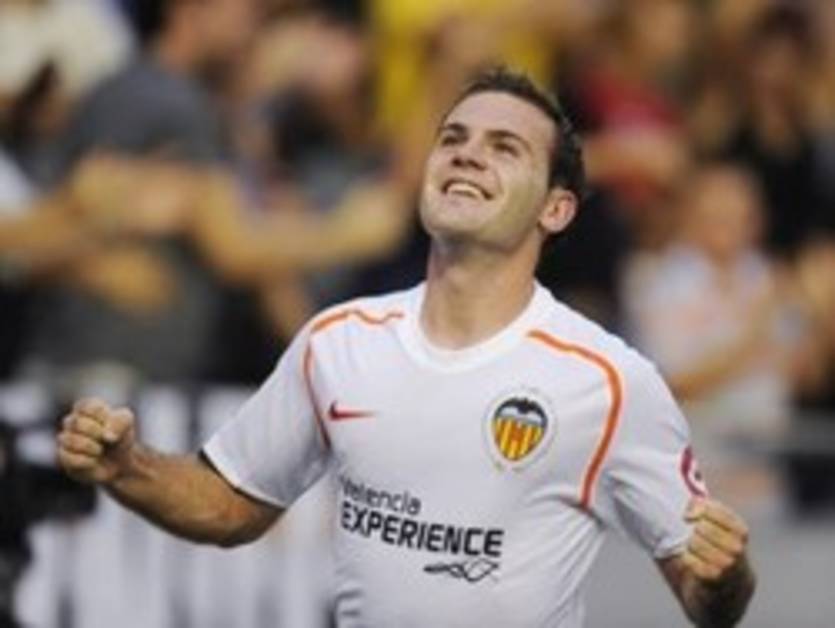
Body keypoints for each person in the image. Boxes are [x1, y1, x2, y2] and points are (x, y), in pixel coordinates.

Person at [56, 68, 755, 627]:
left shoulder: (608, 381)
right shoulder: (338, 342)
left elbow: (703, 596)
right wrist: (128, 467)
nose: (467, 153)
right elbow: (229, 506)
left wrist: (725, 575)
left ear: (556, 208)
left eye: (503, 147)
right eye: (453, 138)